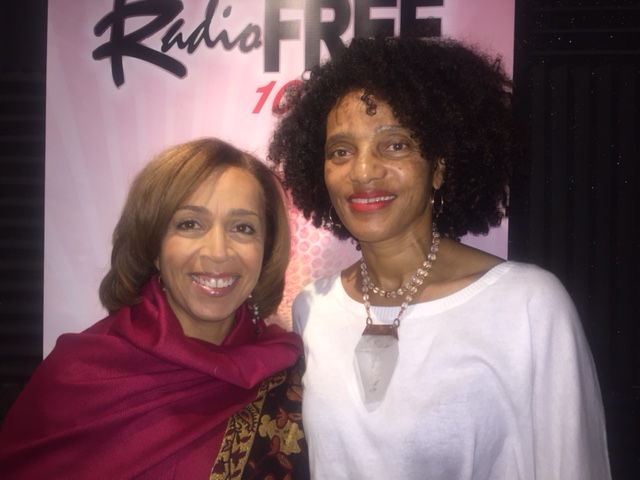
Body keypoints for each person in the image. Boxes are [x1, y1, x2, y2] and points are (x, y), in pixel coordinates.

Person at [268, 36, 610, 479]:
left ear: (440, 166)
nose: (363, 170)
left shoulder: (528, 306)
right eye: (341, 151)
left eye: (395, 145)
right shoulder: (313, 309)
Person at [0, 138, 309, 479]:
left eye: (242, 228)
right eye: (190, 224)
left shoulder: (289, 376)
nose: (218, 251)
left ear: (266, 249)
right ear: (154, 246)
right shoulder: (78, 375)